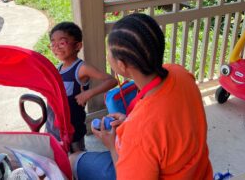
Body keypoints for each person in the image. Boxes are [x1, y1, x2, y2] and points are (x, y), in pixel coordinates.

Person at [69, 13, 213, 179]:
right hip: (200, 173)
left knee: (73, 160)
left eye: (109, 53)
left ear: (121, 66)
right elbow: (165, 123)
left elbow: (149, 130)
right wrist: (129, 122)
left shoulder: (138, 134)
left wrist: (113, 147)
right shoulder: (180, 73)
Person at [46, 22, 117, 153]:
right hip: (54, 126)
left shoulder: (81, 68)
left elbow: (111, 80)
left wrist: (89, 93)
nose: (56, 47)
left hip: (73, 127)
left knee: (77, 157)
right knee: (59, 158)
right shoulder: (58, 68)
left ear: (77, 46)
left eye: (62, 43)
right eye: (53, 44)